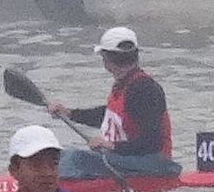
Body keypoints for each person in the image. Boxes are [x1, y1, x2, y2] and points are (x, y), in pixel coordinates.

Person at [48, 26, 177, 181]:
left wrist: (112, 146)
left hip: (155, 165)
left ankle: (43, 186)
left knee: (75, 158)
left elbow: (152, 142)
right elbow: (108, 115)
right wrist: (69, 113)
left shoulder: (144, 89)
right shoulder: (125, 84)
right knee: (60, 156)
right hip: (129, 159)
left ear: (107, 59)